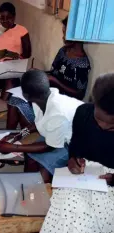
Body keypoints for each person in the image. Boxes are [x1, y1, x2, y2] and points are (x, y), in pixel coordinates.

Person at [41, 73, 114, 233]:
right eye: (98, 119)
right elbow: (75, 146)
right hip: (84, 178)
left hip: (110, 187)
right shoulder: (83, 113)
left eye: (111, 126)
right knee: (69, 206)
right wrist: (73, 160)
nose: (102, 126)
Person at [0, 70, 83, 182]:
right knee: (30, 156)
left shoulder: (57, 112)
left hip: (75, 145)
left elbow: (50, 146)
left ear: (25, 95)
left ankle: (40, 191)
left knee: (44, 166)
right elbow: (38, 124)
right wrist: (19, 135)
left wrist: (13, 147)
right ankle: (27, 185)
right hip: (57, 135)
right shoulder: (42, 97)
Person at [0, 2, 31, 101]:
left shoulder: (22, 30)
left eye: (8, 18)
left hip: (14, 66)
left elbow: (27, 53)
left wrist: (14, 57)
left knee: (10, 83)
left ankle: (3, 107)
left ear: (14, 17)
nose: (4, 21)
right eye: (1, 18)